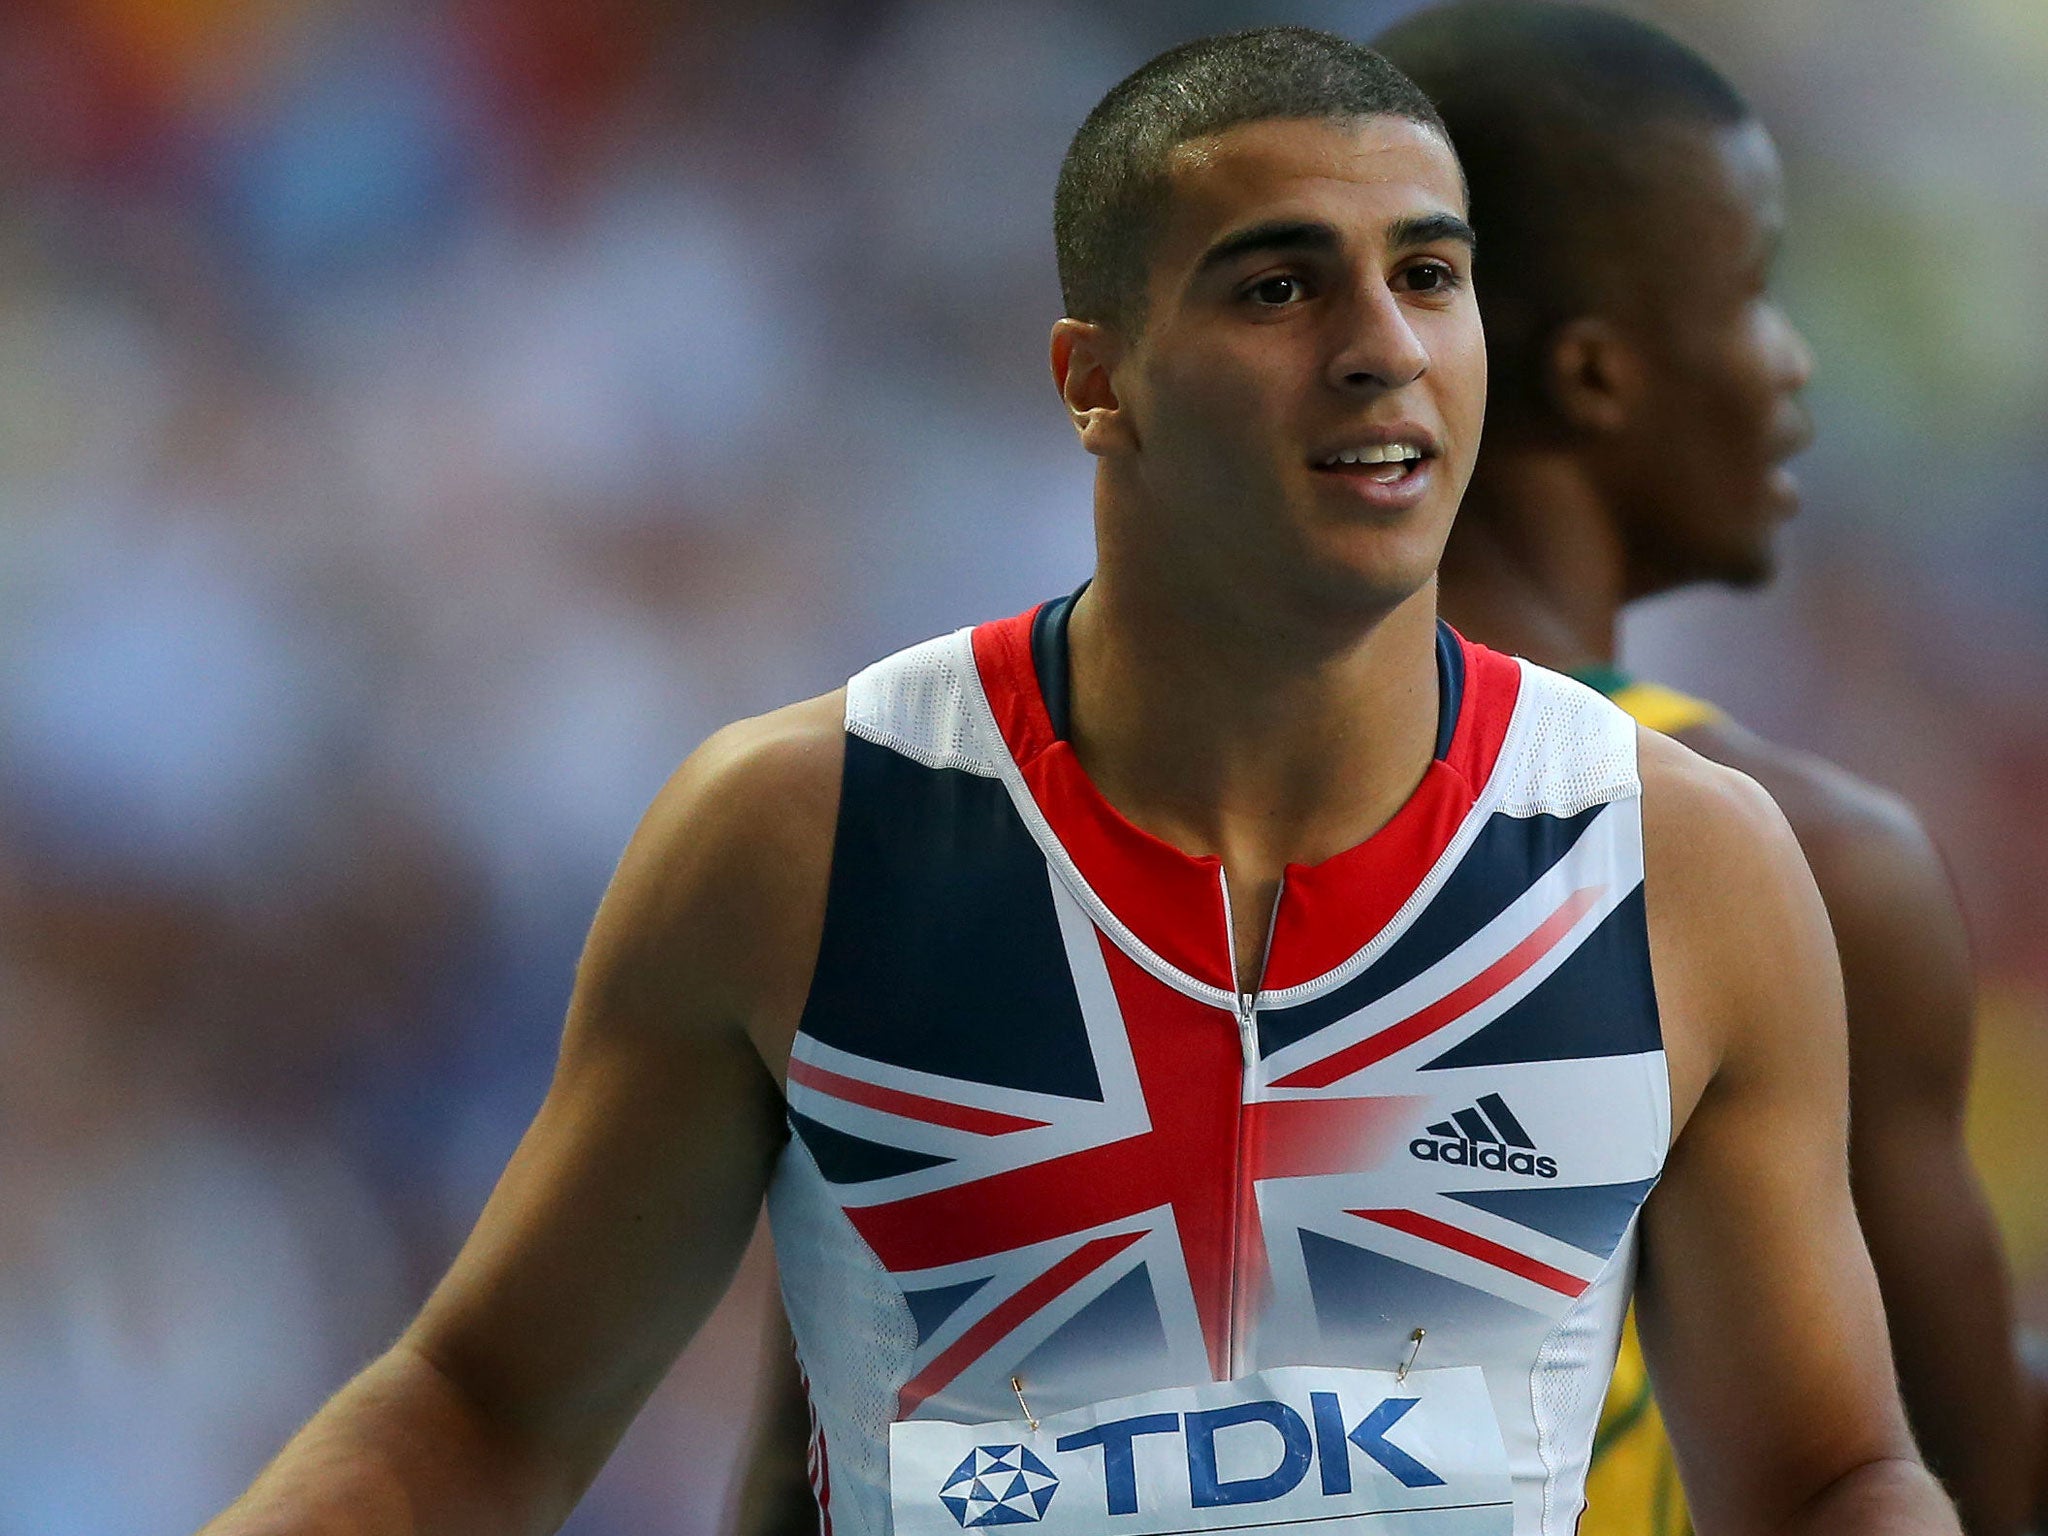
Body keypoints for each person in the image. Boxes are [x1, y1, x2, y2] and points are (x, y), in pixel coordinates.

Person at [201, 28, 1960, 1536]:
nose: (1380, 343)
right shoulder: (804, 837)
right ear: (1093, 382)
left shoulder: (1678, 862)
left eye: (1429, 275)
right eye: (1280, 284)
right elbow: (482, 1412)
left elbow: (1829, 1481)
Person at [1371, 6, 2045, 1534]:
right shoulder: (1808, 863)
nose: (1792, 361)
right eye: (1752, 290)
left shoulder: (1117, 787)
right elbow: (1957, 1468)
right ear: (1598, 374)